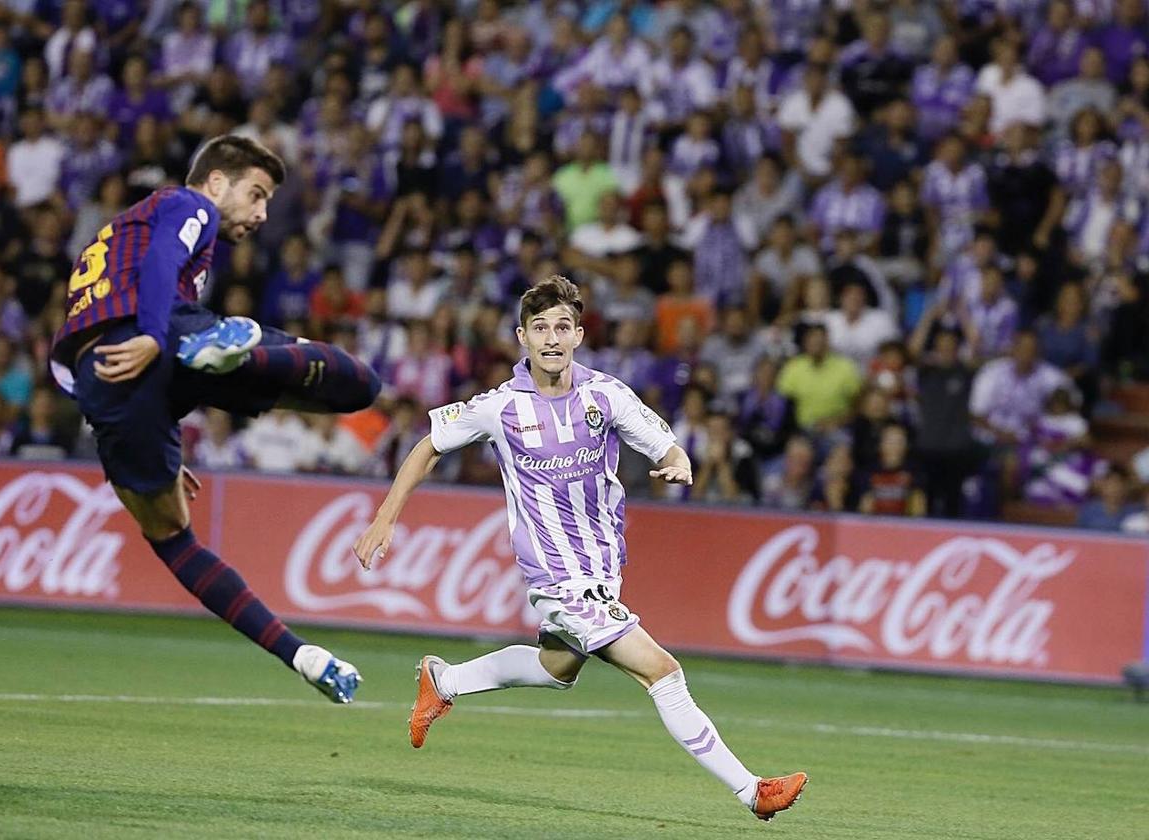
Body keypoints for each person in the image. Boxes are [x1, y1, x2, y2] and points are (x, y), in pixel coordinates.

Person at [353, 276, 807, 822]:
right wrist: (385, 517)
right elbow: (428, 446)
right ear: (522, 337)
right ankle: (751, 790)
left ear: (579, 334)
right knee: (662, 671)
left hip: (602, 571)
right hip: (557, 580)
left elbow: (661, 440)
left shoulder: (605, 395)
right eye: (539, 328)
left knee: (556, 667)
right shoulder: (500, 407)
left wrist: (678, 460)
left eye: (561, 327)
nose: (551, 338)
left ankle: (444, 680)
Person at [48, 135, 382, 704]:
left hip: (104, 384)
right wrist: (156, 337)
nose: (262, 213)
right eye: (256, 194)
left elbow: (70, 362)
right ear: (218, 181)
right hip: (164, 335)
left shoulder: (111, 239)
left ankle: (299, 653)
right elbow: (160, 264)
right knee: (360, 383)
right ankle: (242, 349)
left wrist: (151, 422)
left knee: (173, 538)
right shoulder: (188, 203)